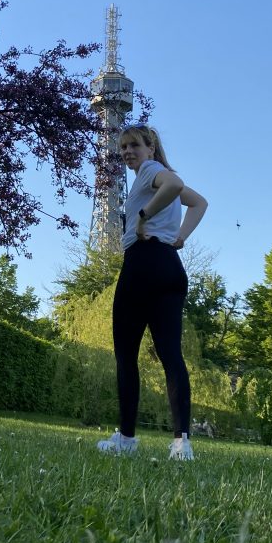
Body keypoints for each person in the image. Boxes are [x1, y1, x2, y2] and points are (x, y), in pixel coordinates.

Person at [97, 125, 208, 461]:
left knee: (126, 356)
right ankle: (181, 444)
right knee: (171, 355)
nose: (128, 152)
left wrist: (143, 217)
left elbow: (172, 186)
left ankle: (127, 440)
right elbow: (199, 202)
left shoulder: (150, 171)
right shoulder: (158, 176)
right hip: (170, 266)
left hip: (143, 264)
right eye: (123, 147)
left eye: (134, 145)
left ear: (151, 147)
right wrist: (181, 237)